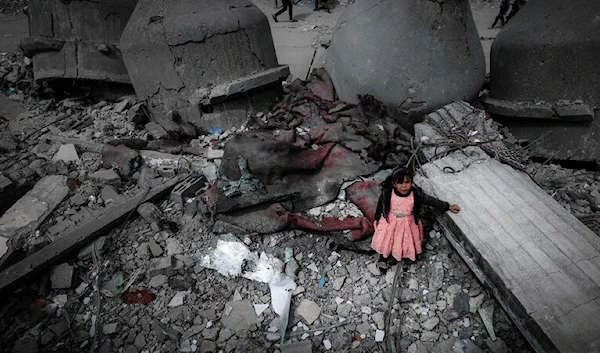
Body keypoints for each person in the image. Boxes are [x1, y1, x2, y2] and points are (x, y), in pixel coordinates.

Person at [371, 167, 460, 269]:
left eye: (407, 182)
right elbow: (380, 206)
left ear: (411, 182)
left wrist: (448, 206)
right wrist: (377, 218)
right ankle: (384, 258)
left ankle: (406, 256)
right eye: (400, 183)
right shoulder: (387, 194)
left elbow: (431, 201)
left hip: (408, 224)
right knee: (387, 240)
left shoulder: (416, 195)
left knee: (406, 240)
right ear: (394, 184)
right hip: (391, 222)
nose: (404, 186)